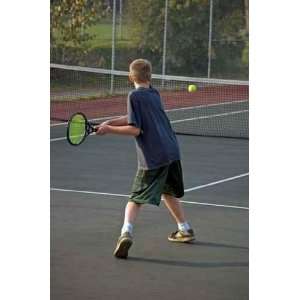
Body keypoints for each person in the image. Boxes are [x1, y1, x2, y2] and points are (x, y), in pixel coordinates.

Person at [96, 59, 195, 259]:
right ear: (150, 76)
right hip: (171, 151)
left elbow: (135, 128)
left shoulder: (133, 95)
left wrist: (109, 130)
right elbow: (133, 117)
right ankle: (184, 228)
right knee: (167, 192)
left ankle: (126, 233)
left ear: (130, 77)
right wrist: (109, 122)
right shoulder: (153, 93)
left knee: (135, 199)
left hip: (154, 156)